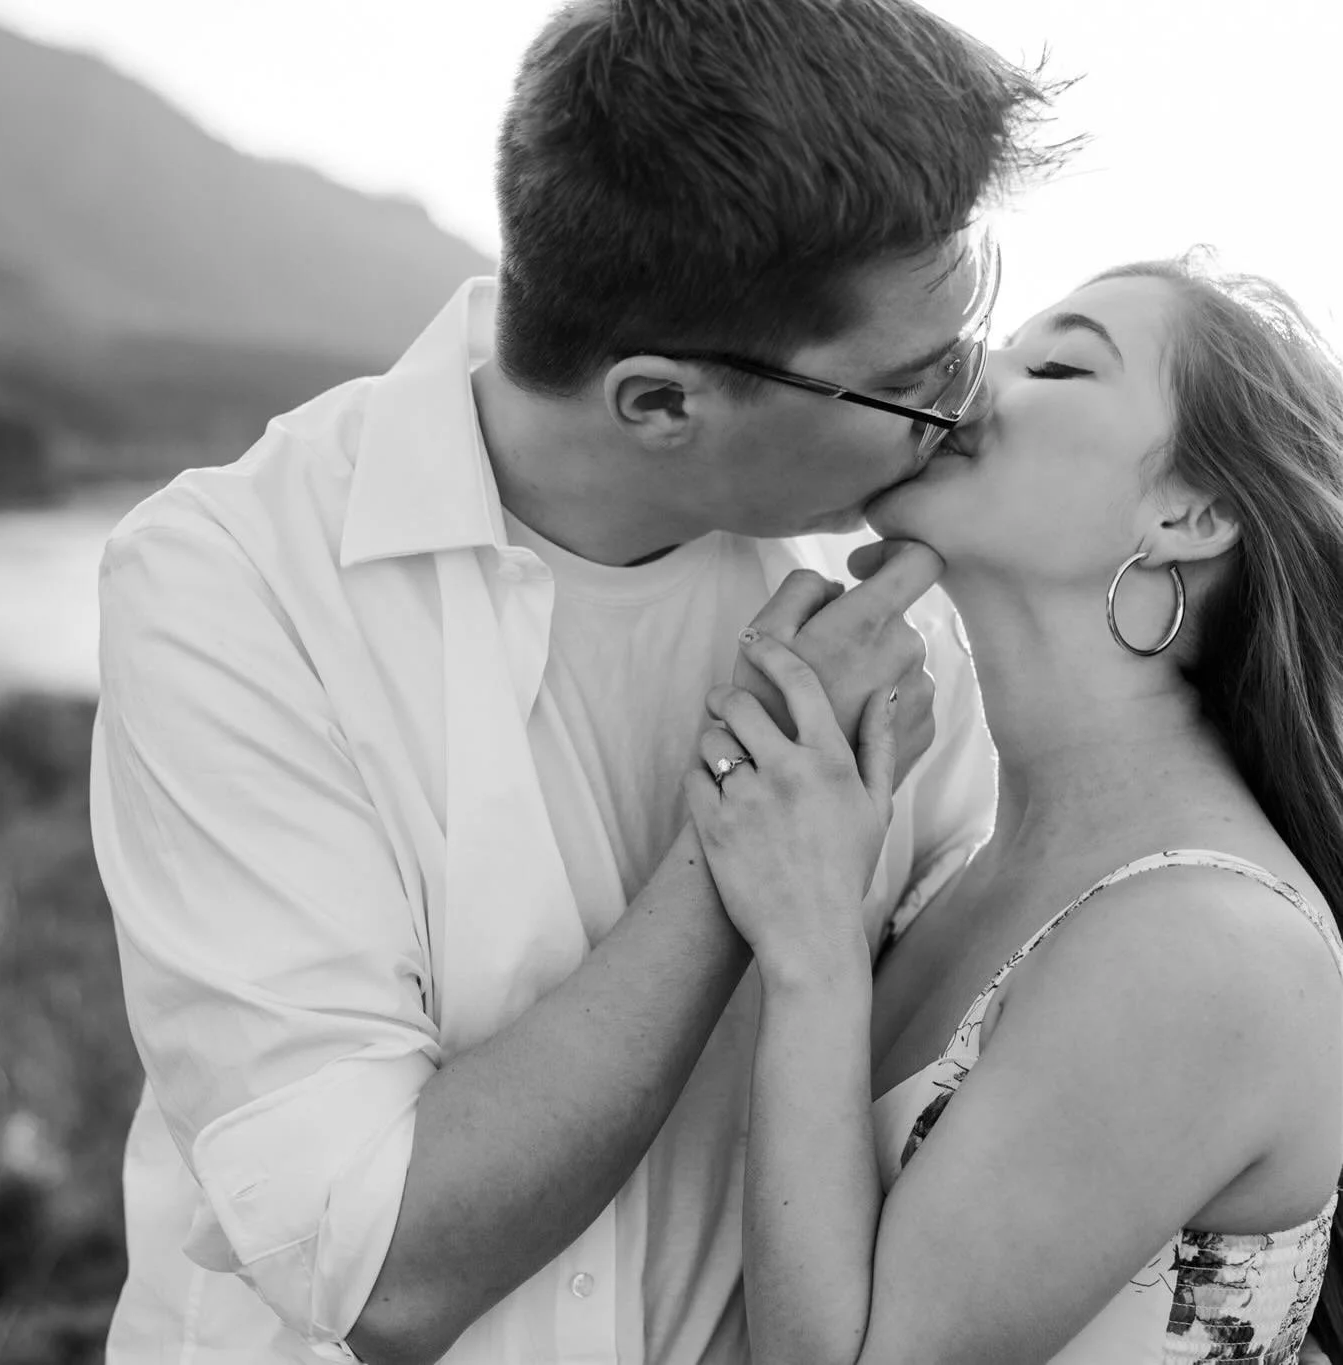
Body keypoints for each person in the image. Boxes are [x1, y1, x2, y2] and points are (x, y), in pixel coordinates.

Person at [88, 2, 1072, 1361]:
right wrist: (750, 831)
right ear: (660, 403)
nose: (959, 416)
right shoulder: (232, 582)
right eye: (912, 388)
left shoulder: (915, 599)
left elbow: (968, 1066)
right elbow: (379, 1268)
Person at [686, 253, 1343, 1363]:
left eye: (1058, 364)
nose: (970, 376)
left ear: (1193, 511)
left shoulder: (1208, 952)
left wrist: (812, 952)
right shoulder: (951, 870)